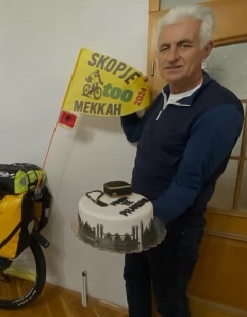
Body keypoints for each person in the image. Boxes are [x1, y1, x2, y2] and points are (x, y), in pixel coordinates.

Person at [120, 4, 244, 317]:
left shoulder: (221, 109)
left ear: (206, 49)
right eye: (165, 47)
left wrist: (137, 224)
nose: (172, 56)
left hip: (174, 230)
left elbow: (188, 183)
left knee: (169, 300)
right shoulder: (164, 94)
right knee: (134, 280)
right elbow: (137, 135)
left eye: (184, 45)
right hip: (141, 215)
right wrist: (122, 106)